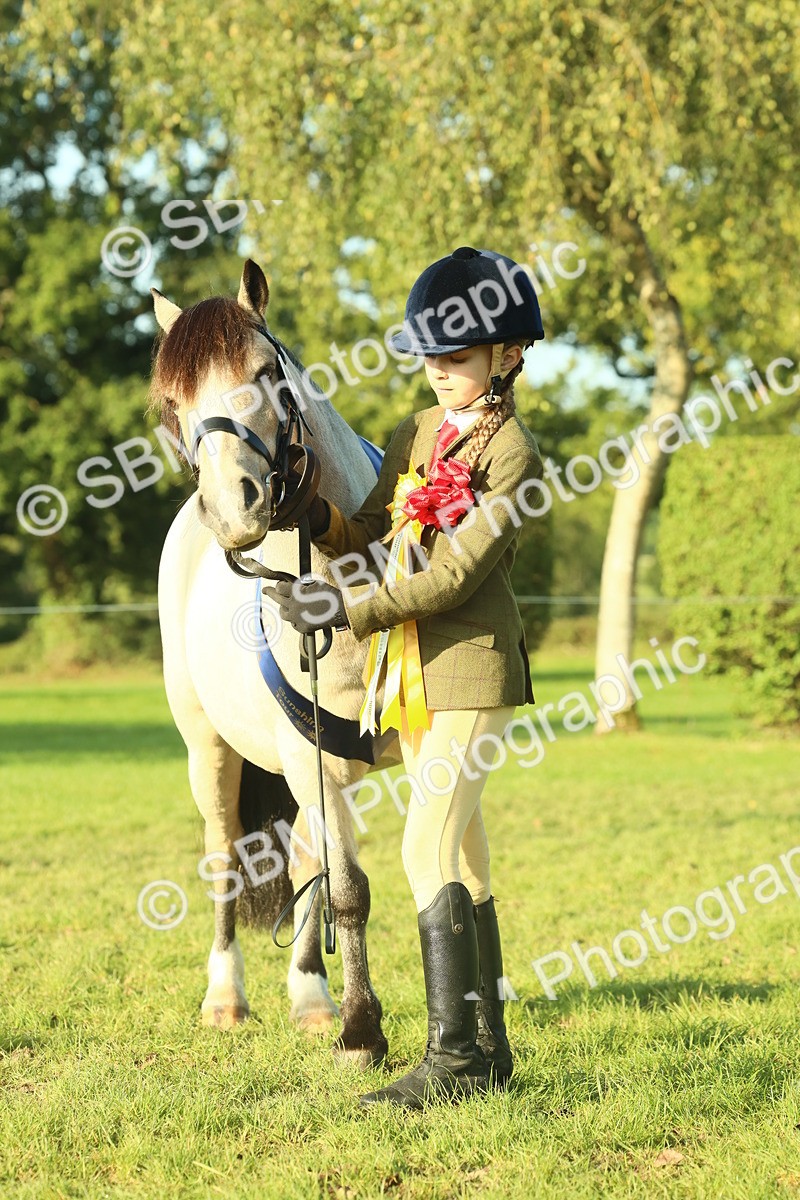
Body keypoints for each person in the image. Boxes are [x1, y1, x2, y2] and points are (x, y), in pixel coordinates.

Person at [264, 245, 545, 1108]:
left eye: (456, 357)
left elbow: (453, 577)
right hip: (415, 672)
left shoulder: (514, 456)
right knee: (466, 855)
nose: (438, 372)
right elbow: (373, 535)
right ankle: (486, 1052)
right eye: (429, 356)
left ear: (507, 356)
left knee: (423, 846)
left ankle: (452, 1062)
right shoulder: (420, 433)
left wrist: (345, 611)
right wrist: (317, 514)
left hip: (472, 670)